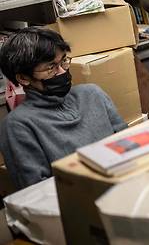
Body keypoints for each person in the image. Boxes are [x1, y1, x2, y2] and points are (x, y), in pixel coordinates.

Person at [0, 28, 126, 189]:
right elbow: (37, 191)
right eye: (50, 67)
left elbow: (130, 144)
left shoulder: (92, 94)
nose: (62, 71)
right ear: (24, 78)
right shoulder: (18, 125)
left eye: (64, 61)